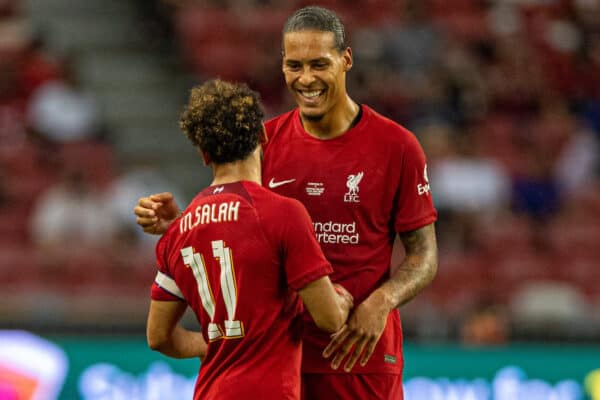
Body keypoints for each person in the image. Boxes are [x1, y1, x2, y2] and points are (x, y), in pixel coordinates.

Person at [135, 6, 438, 399]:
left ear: (346, 60)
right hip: (283, 364)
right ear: (282, 65)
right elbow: (242, 223)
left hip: (361, 356)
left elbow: (424, 256)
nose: (306, 78)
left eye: (319, 64)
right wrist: (184, 224)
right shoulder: (263, 142)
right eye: (295, 65)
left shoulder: (398, 146)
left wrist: (382, 302)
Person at [144, 79, 353, 400]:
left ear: (203, 154)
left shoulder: (178, 230)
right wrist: (342, 297)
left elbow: (159, 336)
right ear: (262, 135)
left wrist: (214, 343)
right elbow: (328, 319)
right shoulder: (282, 214)